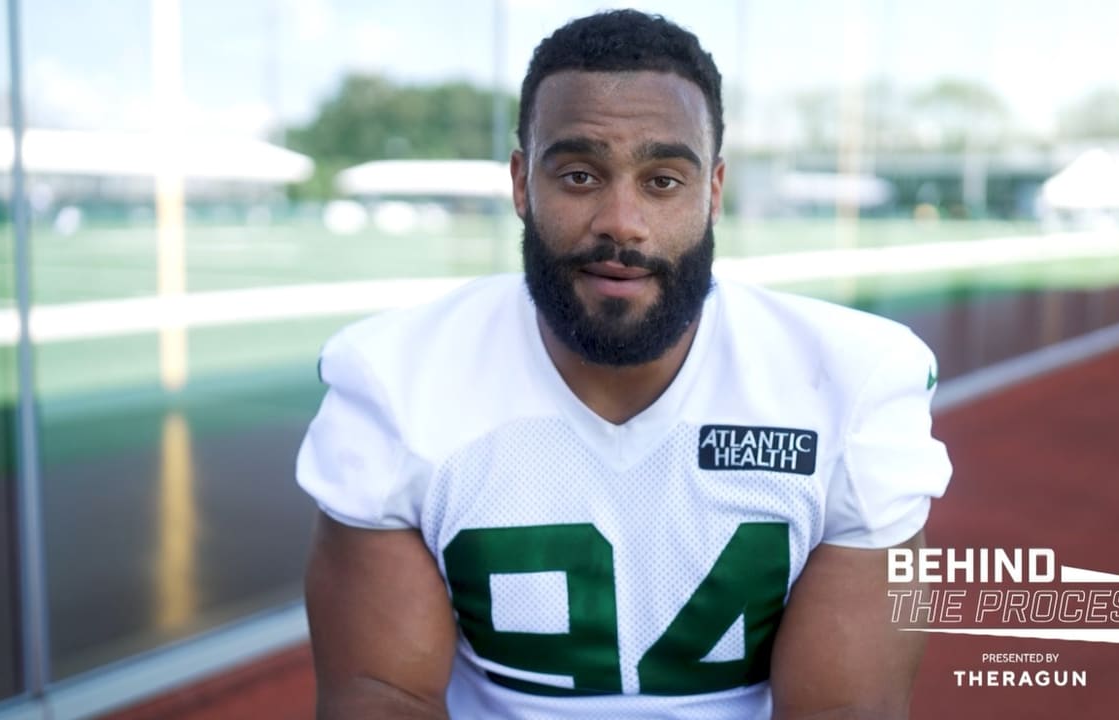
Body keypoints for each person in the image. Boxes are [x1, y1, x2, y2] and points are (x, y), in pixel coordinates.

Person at [298, 9, 950, 719]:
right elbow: (381, 695)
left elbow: (842, 712)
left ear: (714, 191)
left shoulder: (852, 386)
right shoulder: (396, 382)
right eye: (579, 174)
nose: (621, 220)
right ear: (522, 185)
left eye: (663, 181)